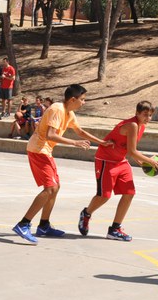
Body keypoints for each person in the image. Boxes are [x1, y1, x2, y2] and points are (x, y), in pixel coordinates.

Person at [12, 84, 109, 244]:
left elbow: (80, 132)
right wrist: (74, 143)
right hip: (38, 149)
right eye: (82, 99)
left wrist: (102, 142)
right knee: (50, 188)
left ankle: (44, 225)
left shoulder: (69, 113)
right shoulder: (57, 109)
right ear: (73, 99)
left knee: (55, 187)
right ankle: (23, 224)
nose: (84, 102)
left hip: (45, 151)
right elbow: (50, 135)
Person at [78, 101, 158, 242]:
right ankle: (86, 214)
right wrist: (150, 161)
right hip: (106, 160)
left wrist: (141, 162)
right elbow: (132, 151)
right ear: (137, 113)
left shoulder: (141, 126)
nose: (148, 118)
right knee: (104, 196)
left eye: (150, 115)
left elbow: (130, 149)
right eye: (145, 114)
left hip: (121, 161)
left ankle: (115, 229)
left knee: (129, 193)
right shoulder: (132, 125)